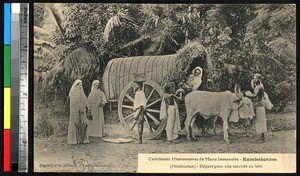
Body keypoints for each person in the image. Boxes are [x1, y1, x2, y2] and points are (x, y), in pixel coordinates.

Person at [245, 73, 267, 143]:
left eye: (256, 79)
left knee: (261, 121)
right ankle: (261, 137)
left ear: (259, 79)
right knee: (258, 121)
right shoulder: (257, 86)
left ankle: (262, 138)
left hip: (260, 105)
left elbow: (256, 96)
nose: (254, 80)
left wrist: (247, 96)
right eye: (254, 79)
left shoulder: (260, 87)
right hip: (257, 104)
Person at [67, 79, 89, 145]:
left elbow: (85, 101)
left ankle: (83, 140)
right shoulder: (73, 93)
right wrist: (78, 109)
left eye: (81, 85)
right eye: (79, 85)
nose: (81, 86)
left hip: (82, 110)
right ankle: (74, 140)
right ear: (76, 86)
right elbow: (74, 103)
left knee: (83, 123)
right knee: (75, 124)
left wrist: (83, 108)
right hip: (75, 111)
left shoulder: (81, 93)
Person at [132, 73, 147, 144]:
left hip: (140, 110)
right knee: (139, 125)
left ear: (139, 86)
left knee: (140, 125)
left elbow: (141, 104)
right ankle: (139, 139)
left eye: (135, 85)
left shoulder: (141, 93)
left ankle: (140, 140)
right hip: (137, 110)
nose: (134, 87)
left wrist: (138, 112)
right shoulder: (138, 93)